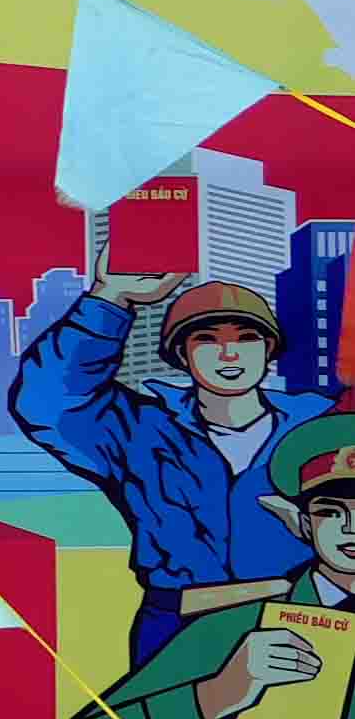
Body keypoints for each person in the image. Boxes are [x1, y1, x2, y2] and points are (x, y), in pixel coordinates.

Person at [22, 274, 316, 685]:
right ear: (182, 353)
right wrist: (111, 298)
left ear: (268, 348)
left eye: (247, 338)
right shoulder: (140, 429)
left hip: (297, 619)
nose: (229, 353)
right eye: (207, 340)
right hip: (177, 627)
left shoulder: (317, 427)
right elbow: (46, 402)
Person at [86, 408, 355, 719]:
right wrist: (219, 694)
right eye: (331, 512)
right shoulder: (237, 627)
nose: (350, 528)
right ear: (304, 525)